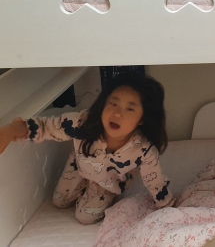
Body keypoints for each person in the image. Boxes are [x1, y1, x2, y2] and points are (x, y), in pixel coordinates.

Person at [0, 72, 173, 224]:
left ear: (142, 119)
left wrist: (166, 206)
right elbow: (46, 127)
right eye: (113, 103)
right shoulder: (83, 123)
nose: (117, 113)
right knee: (59, 202)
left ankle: (98, 193)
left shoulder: (143, 149)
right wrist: (12, 130)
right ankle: (83, 182)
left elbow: (155, 181)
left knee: (84, 218)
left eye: (129, 109)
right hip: (79, 166)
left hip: (109, 182)